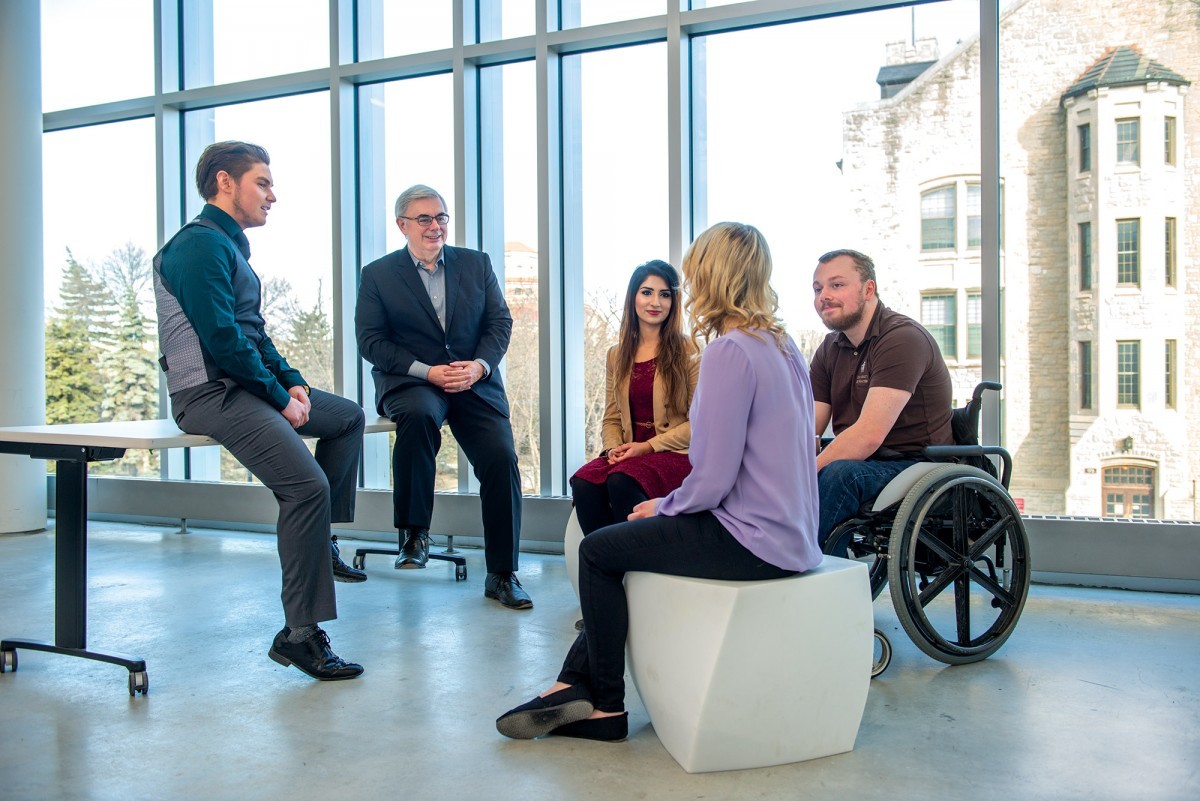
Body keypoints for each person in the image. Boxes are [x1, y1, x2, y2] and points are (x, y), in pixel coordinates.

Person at [495, 222, 821, 743]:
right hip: (796, 535)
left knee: (600, 554)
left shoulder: (727, 351)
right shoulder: (783, 346)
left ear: (712, 276)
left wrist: (666, 506)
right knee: (617, 546)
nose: (687, 290)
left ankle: (604, 708)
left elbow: (711, 476)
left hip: (751, 539)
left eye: (691, 277)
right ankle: (568, 684)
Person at [153, 141, 366, 681]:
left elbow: (253, 334)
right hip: (209, 393)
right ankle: (300, 636)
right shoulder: (197, 247)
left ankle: (324, 539)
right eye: (263, 183)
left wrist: (292, 384)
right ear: (226, 183)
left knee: (346, 417)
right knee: (305, 486)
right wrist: (278, 400)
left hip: (245, 384)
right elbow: (222, 340)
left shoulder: (229, 248)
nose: (274, 194)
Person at [355, 185, 531, 610]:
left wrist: (479, 367)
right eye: (424, 219)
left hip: (472, 378)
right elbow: (371, 341)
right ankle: (414, 534)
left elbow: (499, 321)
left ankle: (503, 574)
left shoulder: (476, 263)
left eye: (441, 218)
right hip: (414, 379)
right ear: (402, 225)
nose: (436, 227)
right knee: (417, 416)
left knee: (501, 458)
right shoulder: (378, 274)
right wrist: (426, 370)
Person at [809, 248, 953, 547]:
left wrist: (805, 473)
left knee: (839, 474)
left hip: (915, 462)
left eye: (837, 285)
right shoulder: (829, 348)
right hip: (865, 461)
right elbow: (810, 427)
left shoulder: (902, 338)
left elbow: (868, 436)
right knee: (802, 469)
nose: (824, 295)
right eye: (818, 288)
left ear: (868, 289)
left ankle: (810, 573)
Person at [569, 260, 699, 537]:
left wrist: (647, 447)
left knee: (620, 481)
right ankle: (607, 567)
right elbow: (612, 417)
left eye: (665, 294)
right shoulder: (616, 354)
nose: (656, 302)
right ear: (633, 298)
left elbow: (699, 422)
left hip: (674, 454)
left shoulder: (690, 349)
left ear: (674, 301)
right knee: (583, 482)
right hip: (629, 455)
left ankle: (639, 563)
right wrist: (613, 449)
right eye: (647, 292)